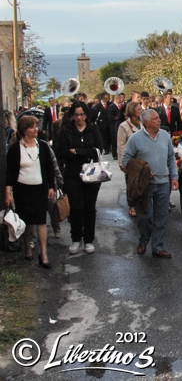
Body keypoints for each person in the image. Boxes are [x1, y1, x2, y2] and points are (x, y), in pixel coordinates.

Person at [122, 109, 179, 258]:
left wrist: (174, 177)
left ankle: (157, 247)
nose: (159, 120)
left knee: (161, 218)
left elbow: (171, 158)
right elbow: (125, 161)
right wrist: (142, 169)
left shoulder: (165, 136)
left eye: (159, 118)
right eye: (155, 119)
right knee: (146, 217)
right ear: (146, 122)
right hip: (145, 186)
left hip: (163, 183)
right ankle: (143, 240)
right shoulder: (135, 139)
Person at [5, 116, 55, 268]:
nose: (36, 129)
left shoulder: (43, 146)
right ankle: (27, 248)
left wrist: (51, 186)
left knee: (41, 220)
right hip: (22, 189)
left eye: (36, 126)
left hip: (40, 188)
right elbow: (10, 173)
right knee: (25, 221)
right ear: (24, 130)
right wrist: (8, 192)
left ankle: (44, 254)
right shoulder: (15, 149)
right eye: (32, 127)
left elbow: (49, 168)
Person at [57, 101, 104, 255]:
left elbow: (98, 150)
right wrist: (84, 152)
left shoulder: (93, 129)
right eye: (76, 114)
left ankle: (89, 240)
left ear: (86, 114)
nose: (79, 118)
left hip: (91, 173)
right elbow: (62, 152)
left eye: (82, 114)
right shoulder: (66, 131)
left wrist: (77, 151)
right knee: (76, 207)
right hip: (72, 173)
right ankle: (76, 238)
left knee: (90, 207)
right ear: (72, 115)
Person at [118, 102, 143, 218]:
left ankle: (142, 204)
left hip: (142, 159)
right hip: (131, 160)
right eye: (138, 109)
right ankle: (132, 205)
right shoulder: (124, 126)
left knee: (142, 182)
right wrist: (122, 163)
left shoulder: (142, 123)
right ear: (132, 111)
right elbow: (121, 145)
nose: (141, 110)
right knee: (131, 183)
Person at [107, 93, 123, 159]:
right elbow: (110, 116)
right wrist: (116, 118)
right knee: (114, 140)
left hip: (120, 126)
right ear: (116, 98)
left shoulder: (121, 106)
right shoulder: (111, 107)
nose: (122, 99)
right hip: (113, 126)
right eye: (120, 98)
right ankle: (114, 154)